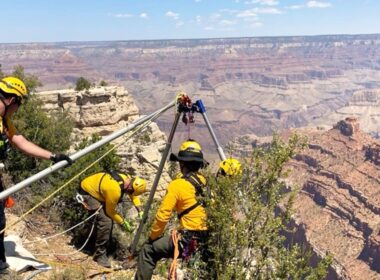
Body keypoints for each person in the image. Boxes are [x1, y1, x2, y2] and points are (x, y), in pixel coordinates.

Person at [0, 76, 72, 272]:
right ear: (12, 100)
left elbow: (20, 141)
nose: (18, 109)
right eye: (19, 104)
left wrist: (53, 156)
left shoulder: (4, 121)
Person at [135, 139, 209, 280]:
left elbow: (163, 216)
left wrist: (153, 237)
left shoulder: (177, 185)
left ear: (181, 164)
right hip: (207, 238)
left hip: (188, 239)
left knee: (148, 250)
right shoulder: (206, 183)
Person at [79, 170, 146, 268]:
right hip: (88, 193)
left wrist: (139, 210)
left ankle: (93, 242)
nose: (130, 194)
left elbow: (133, 195)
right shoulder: (115, 190)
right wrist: (123, 222)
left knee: (104, 219)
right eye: (130, 192)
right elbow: (110, 212)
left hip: (97, 190)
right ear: (130, 186)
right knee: (106, 221)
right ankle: (99, 255)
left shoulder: (127, 179)